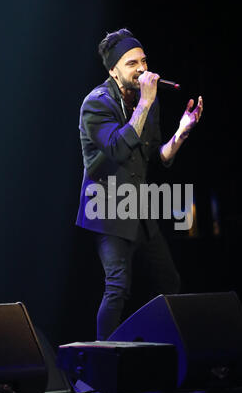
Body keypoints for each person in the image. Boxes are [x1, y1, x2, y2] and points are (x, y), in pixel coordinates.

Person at [76, 28, 203, 340]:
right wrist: (145, 104)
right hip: (106, 205)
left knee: (168, 281)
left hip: (139, 205)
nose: (143, 69)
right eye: (132, 63)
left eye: (144, 61)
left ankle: (151, 348)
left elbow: (157, 155)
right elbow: (119, 148)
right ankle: (103, 363)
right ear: (113, 70)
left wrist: (182, 132)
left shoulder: (148, 101)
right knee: (117, 286)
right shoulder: (96, 104)